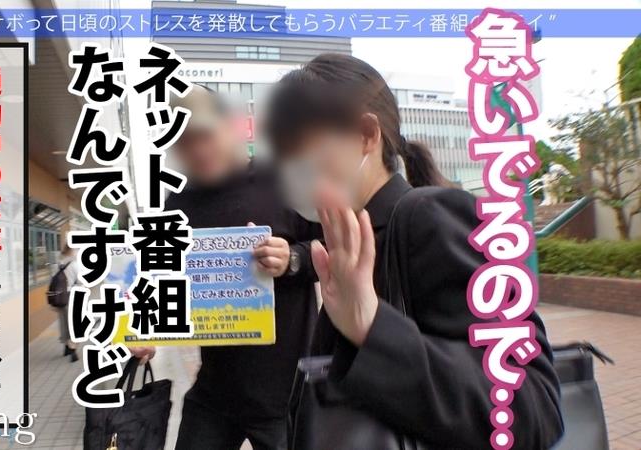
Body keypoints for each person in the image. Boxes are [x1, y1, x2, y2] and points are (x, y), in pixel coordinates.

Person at [265, 53, 563, 449]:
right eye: (282, 155)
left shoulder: (431, 218)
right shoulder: (359, 240)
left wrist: (371, 326)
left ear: (366, 135)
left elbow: (532, 408)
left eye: (299, 148)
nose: (289, 169)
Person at [152, 85, 319, 450]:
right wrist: (144, 331)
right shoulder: (179, 203)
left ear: (232, 127)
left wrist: (293, 258)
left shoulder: (287, 179)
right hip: (213, 391)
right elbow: (163, 277)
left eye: (204, 135)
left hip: (286, 396)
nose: (197, 150)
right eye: (184, 142)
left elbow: (337, 250)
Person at [56, 245, 79, 362]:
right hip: (72, 295)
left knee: (64, 322)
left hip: (60, 296)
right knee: (74, 323)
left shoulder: (59, 264)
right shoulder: (74, 265)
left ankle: (66, 347)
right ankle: (72, 349)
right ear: (71, 250)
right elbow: (81, 281)